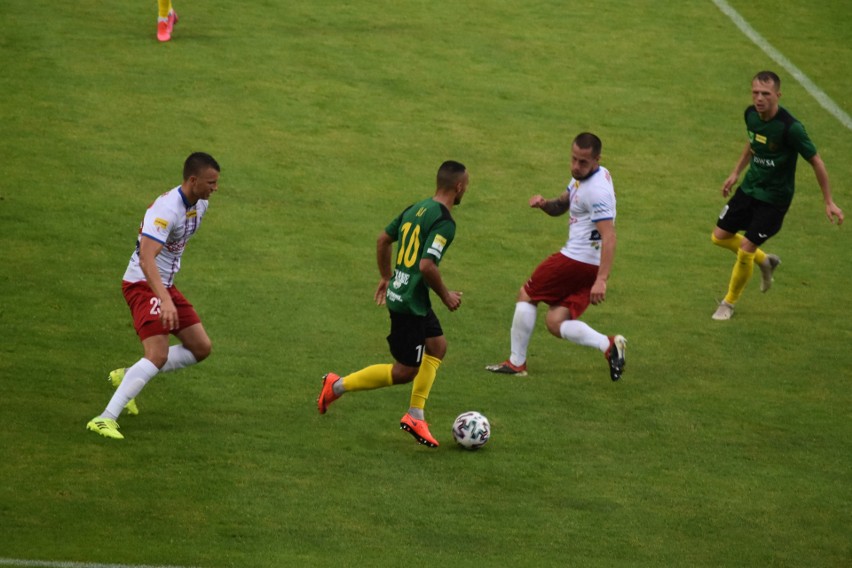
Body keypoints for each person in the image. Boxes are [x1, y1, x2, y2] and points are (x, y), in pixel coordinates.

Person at [317, 161, 470, 448]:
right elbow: (427, 266)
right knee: (404, 371)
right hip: (409, 304)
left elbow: (383, 239)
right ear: (459, 187)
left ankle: (415, 414)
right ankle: (336, 385)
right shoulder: (444, 222)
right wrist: (447, 295)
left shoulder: (416, 208)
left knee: (437, 346)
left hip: (411, 296)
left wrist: (387, 276)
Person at [87, 152, 220, 440]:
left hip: (164, 285)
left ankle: (128, 374)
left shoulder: (200, 205)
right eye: (210, 182)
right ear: (193, 180)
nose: (215, 188)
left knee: (201, 348)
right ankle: (104, 418)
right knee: (157, 354)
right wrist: (165, 298)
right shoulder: (167, 210)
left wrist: (167, 293)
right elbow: (147, 258)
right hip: (142, 283)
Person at [486, 133, 627, 381]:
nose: (575, 166)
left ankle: (516, 363)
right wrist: (544, 204)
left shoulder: (596, 191)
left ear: (596, 159)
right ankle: (608, 345)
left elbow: (610, 236)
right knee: (555, 321)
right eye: (573, 159)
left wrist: (602, 280)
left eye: (582, 162)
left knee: (527, 295)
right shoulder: (588, 176)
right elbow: (562, 205)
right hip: (589, 266)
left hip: (575, 260)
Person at [711, 71, 844, 320]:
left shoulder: (790, 128)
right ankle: (766, 261)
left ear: (778, 95)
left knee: (745, 249)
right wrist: (735, 173)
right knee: (719, 237)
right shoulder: (750, 114)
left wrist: (829, 201)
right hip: (750, 188)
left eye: (766, 94)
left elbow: (816, 161)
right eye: (756, 93)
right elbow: (753, 143)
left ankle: (728, 303)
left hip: (774, 200)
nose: (759, 98)